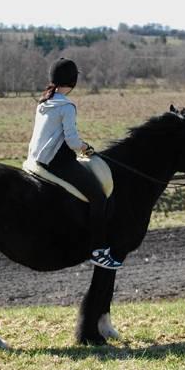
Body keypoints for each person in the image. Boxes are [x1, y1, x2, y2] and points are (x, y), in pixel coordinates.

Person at [27, 58, 122, 270]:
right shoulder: (67, 105)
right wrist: (85, 148)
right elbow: (71, 140)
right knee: (98, 196)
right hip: (56, 162)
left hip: (35, 159)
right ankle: (99, 251)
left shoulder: (44, 102)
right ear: (73, 81)